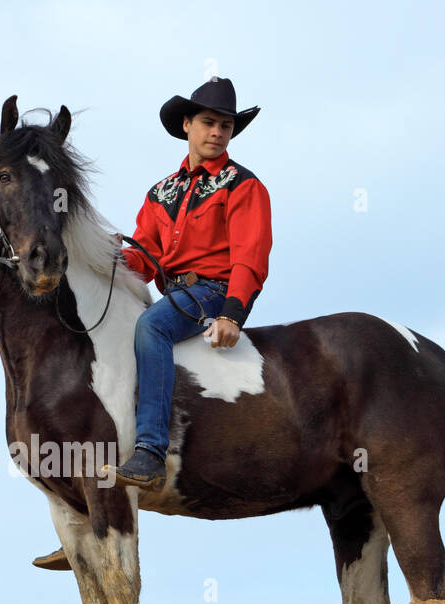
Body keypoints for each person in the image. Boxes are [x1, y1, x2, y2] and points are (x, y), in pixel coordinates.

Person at [32, 76, 273, 571]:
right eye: (208, 123)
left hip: (209, 292)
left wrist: (232, 312)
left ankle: (149, 452)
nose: (217, 133)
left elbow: (251, 255)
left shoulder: (244, 186)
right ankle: (85, 509)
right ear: (187, 125)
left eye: (225, 125)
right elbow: (144, 259)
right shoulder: (162, 192)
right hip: (171, 291)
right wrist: (99, 257)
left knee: (150, 329)